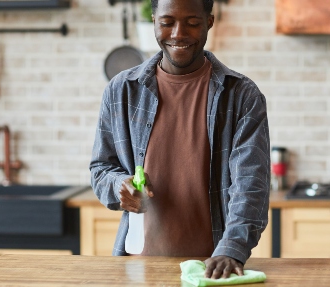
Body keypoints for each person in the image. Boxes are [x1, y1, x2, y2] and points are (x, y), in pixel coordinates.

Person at [89, 0, 270, 280]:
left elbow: (251, 185)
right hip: (138, 267)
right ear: (153, 21)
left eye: (192, 23)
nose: (178, 33)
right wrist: (118, 186)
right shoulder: (121, 91)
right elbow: (101, 169)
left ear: (209, 22)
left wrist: (232, 249)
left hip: (212, 269)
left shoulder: (242, 96)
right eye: (167, 22)